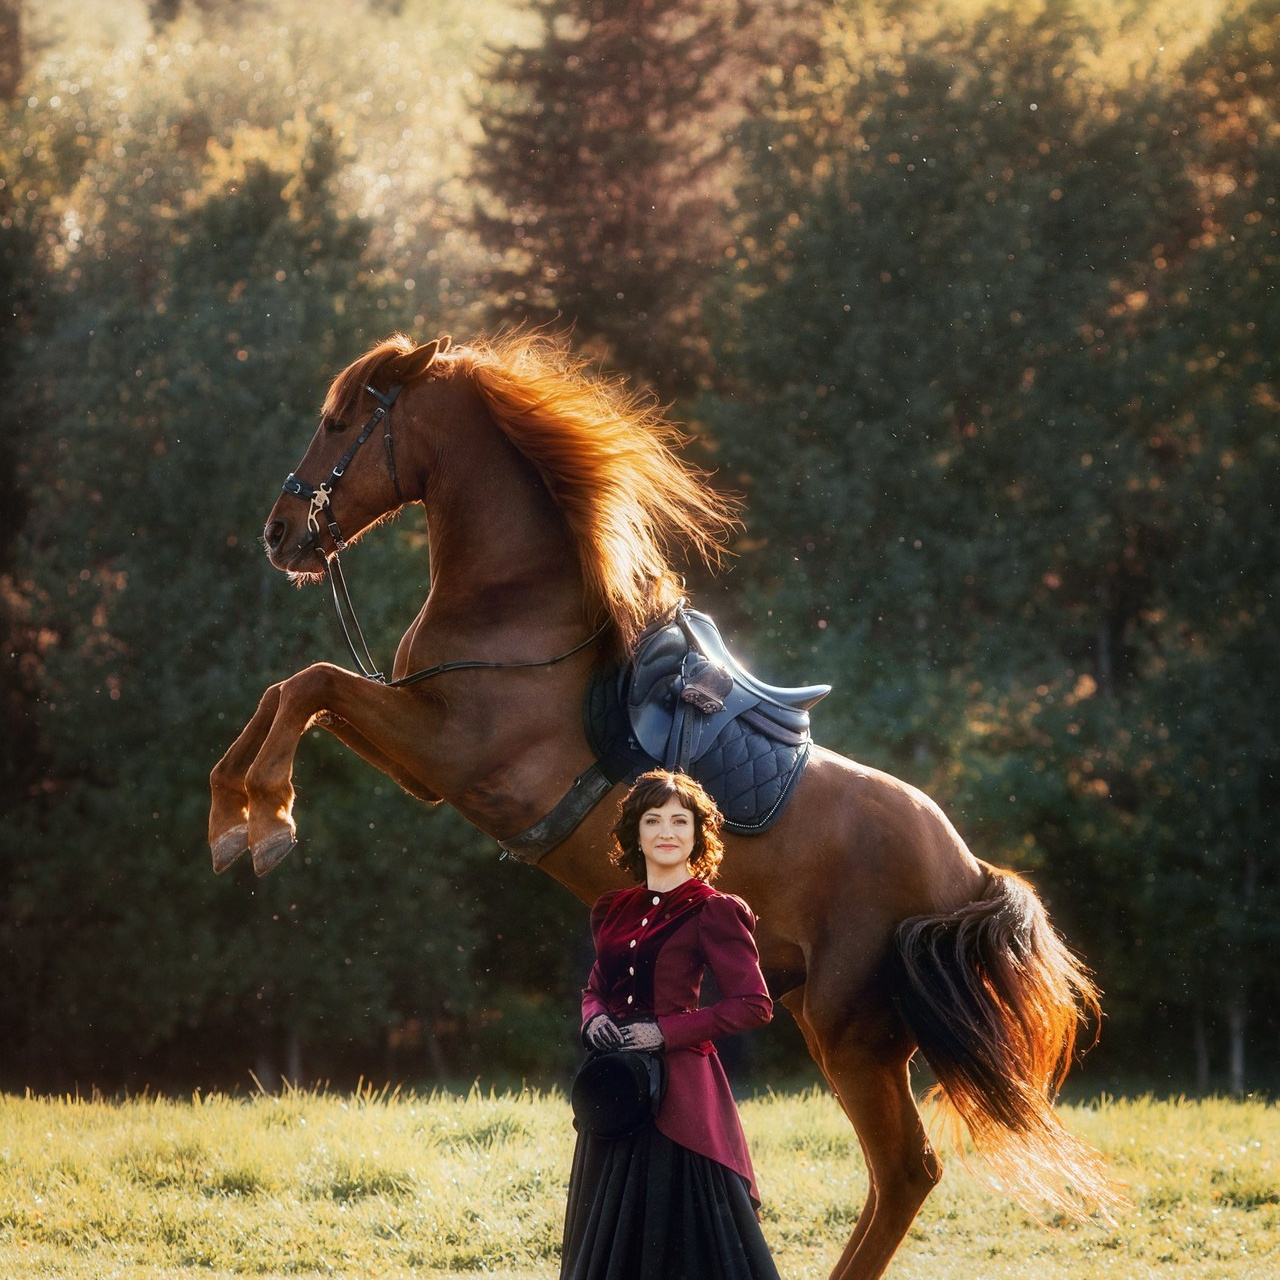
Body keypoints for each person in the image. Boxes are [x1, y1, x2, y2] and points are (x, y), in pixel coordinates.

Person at [560, 769, 782, 1280]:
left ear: (697, 835)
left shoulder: (714, 911)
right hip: (614, 1091)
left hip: (681, 1093)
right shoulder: (612, 909)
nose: (667, 831)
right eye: (653, 820)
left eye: (680, 821)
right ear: (635, 833)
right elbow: (596, 988)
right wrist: (593, 1019)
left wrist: (667, 1031)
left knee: (684, 1225)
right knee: (611, 1223)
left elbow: (754, 1003)